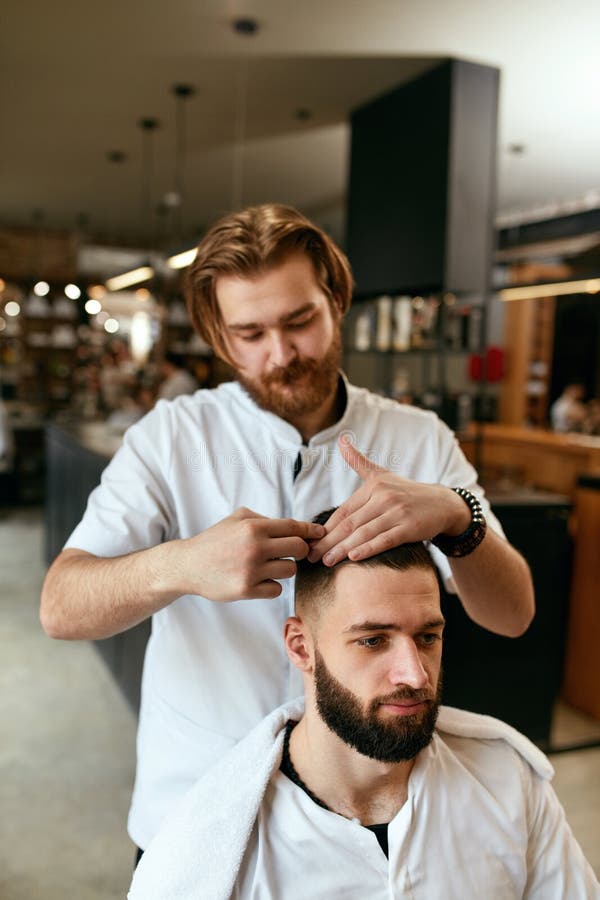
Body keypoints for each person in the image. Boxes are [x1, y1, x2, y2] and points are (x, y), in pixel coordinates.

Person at [40, 204, 534, 854]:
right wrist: (181, 565)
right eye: (250, 333)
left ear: (335, 300)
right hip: (196, 816)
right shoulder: (171, 438)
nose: (281, 355)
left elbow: (514, 614)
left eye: (300, 321)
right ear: (220, 336)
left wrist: (455, 516)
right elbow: (61, 607)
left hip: (372, 818)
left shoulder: (418, 440)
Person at [128, 516, 597, 899]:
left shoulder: (508, 781)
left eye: (427, 637)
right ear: (301, 647)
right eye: (372, 640)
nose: (414, 675)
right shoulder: (210, 858)